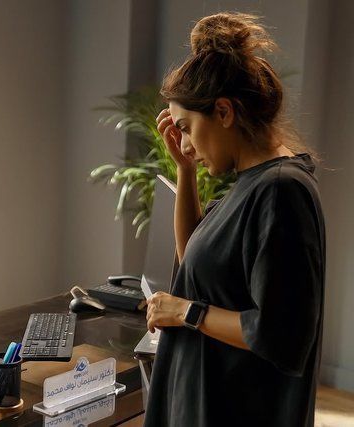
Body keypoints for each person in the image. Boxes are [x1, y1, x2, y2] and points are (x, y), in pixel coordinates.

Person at [143, 13, 325, 427]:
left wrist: (185, 312)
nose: (184, 144)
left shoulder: (281, 190)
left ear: (223, 111)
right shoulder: (250, 183)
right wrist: (185, 173)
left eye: (186, 128)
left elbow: (280, 335)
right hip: (205, 399)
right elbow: (193, 263)